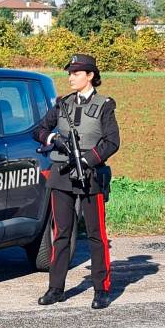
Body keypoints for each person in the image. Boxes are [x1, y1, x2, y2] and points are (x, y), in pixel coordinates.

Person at [32, 53, 120, 310]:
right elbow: (38, 130)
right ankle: (55, 288)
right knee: (61, 234)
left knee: (96, 235)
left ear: (90, 75)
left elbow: (112, 142)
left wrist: (89, 160)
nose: (71, 77)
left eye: (76, 73)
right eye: (70, 73)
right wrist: (52, 140)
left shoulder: (105, 105)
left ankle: (101, 289)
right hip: (61, 175)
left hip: (89, 175)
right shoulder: (62, 104)